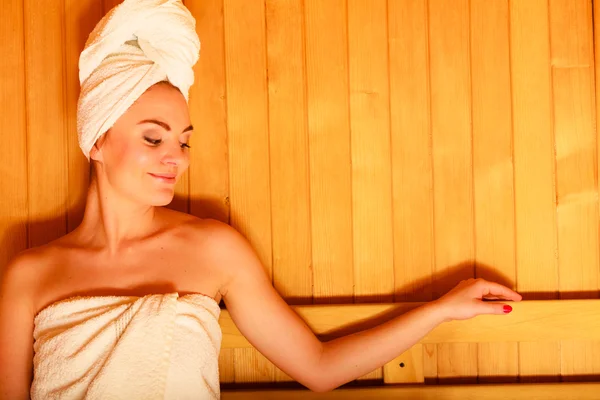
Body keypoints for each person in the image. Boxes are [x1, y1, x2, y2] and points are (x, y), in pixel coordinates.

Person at [0, 0, 522, 399]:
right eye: (153, 138)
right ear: (95, 141)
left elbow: (318, 368)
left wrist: (439, 311)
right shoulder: (31, 274)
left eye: (183, 141)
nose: (176, 158)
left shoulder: (213, 249)